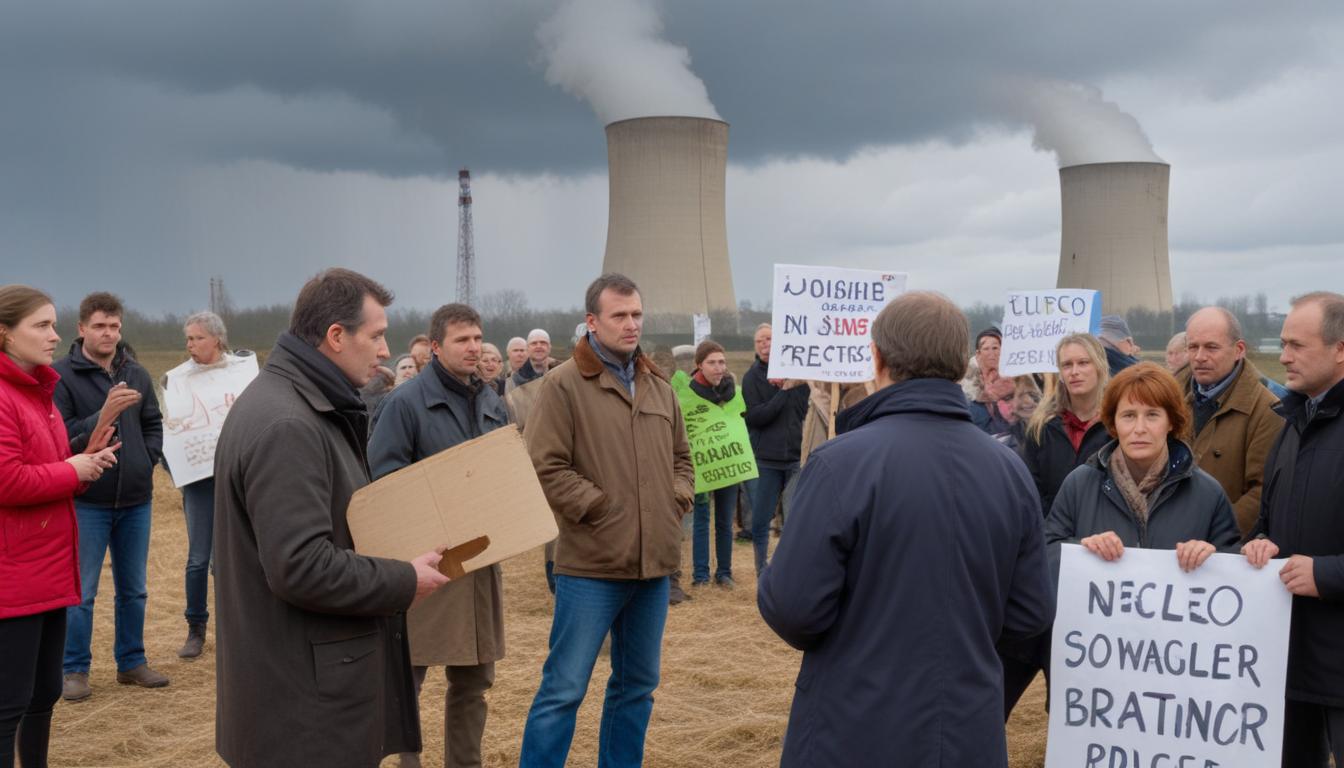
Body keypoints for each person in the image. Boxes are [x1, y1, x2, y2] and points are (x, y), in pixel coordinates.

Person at [757, 291, 1052, 767]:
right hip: (965, 728)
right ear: (961, 363)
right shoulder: (1009, 470)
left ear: (876, 358)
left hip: (852, 728)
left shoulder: (839, 464)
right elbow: (1028, 614)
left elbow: (793, 608)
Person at [212, 268, 451, 767]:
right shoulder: (288, 424)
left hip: (301, 692)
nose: (386, 351)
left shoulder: (298, 404)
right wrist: (403, 578)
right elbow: (300, 565)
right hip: (304, 709)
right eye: (377, 335)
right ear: (336, 337)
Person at [519, 273, 694, 768]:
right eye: (620, 315)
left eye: (637, 314)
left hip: (653, 567)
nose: (631, 324)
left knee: (637, 688)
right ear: (592, 321)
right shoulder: (563, 385)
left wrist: (673, 500)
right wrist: (599, 508)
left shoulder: (659, 387)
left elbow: (683, 460)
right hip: (591, 566)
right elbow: (544, 465)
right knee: (564, 690)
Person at [369, 304, 509, 768]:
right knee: (410, 676)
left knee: (474, 681)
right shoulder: (404, 403)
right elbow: (383, 481)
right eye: (462, 340)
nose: (473, 348)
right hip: (426, 562)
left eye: (477, 338)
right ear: (435, 347)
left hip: (480, 561)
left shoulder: (492, 400)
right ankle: (408, 761)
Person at [1043, 361, 1240, 678]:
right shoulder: (1079, 484)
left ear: (1171, 422)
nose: (1139, 428)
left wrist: (1212, 558)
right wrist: (1082, 551)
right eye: (1128, 416)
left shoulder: (1207, 493)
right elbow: (1045, 555)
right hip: (1096, 666)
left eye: (1152, 415)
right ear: (1113, 423)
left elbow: (1237, 574)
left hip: (1176, 670)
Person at [1, 285, 120, 768]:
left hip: (49, 570)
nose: (54, 335)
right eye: (42, 326)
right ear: (4, 333)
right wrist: (72, 470)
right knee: (8, 703)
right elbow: (7, 480)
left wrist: (84, 461)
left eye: (53, 324)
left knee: (44, 693)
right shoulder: (5, 396)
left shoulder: (40, 393)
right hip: (14, 574)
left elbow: (48, 468)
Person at [1241, 291, 1344, 766]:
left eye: (1296, 345)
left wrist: (1326, 574)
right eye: (1283, 344)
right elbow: (1268, 520)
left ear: (1340, 348)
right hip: (1287, 660)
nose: (1282, 357)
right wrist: (1259, 544)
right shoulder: (1292, 423)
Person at [52, 292, 168, 700]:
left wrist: (146, 458)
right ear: (81, 328)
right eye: (100, 326)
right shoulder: (61, 376)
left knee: (134, 588)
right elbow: (61, 437)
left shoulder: (135, 373)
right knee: (81, 591)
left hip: (136, 498)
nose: (108, 334)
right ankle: (74, 670)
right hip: (87, 501)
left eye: (115, 326)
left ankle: (132, 662)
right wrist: (103, 413)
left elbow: (153, 422)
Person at [999, 333, 1112, 717]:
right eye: (1067, 364)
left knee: (1073, 688)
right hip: (1048, 564)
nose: (1075, 371)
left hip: (1102, 569)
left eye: (1082, 362)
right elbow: (1031, 495)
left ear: (1099, 364)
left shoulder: (1120, 427)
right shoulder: (1042, 428)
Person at [163, 311, 245, 659]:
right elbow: (170, 429)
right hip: (198, 481)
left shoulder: (241, 374)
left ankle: (235, 629)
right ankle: (196, 628)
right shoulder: (178, 380)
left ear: (217, 339)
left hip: (235, 477)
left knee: (230, 558)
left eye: (196, 338)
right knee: (199, 558)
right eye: (188, 339)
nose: (190, 345)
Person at [1175, 307, 1282, 535]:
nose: (1199, 356)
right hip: (1165, 542)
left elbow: (1261, 492)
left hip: (1217, 551)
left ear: (1239, 350)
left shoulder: (1266, 410)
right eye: (1193, 347)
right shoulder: (1169, 397)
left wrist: (1213, 536)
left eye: (1211, 347)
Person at [681, 341, 749, 590]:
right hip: (701, 467)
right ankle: (700, 576)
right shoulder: (687, 395)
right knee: (701, 518)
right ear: (699, 365)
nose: (718, 368)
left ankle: (724, 572)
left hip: (728, 465)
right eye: (712, 362)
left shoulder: (734, 391)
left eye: (722, 362)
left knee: (724, 520)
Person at [742, 322, 808, 572]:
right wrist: (783, 393)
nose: (765, 344)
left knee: (793, 521)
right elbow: (756, 416)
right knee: (760, 521)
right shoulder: (751, 378)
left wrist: (793, 385)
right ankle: (762, 571)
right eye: (759, 341)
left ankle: (790, 572)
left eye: (769, 339)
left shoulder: (799, 375)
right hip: (767, 459)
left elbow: (804, 410)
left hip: (795, 459)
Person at [966, 327, 1017, 435]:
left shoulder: (1018, 378)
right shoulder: (967, 386)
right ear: (978, 353)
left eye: (995, 348)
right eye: (986, 348)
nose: (991, 353)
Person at [507, 328, 552, 395]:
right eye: (534, 343)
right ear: (527, 348)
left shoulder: (561, 372)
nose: (538, 346)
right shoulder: (516, 379)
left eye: (543, 343)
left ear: (549, 347)